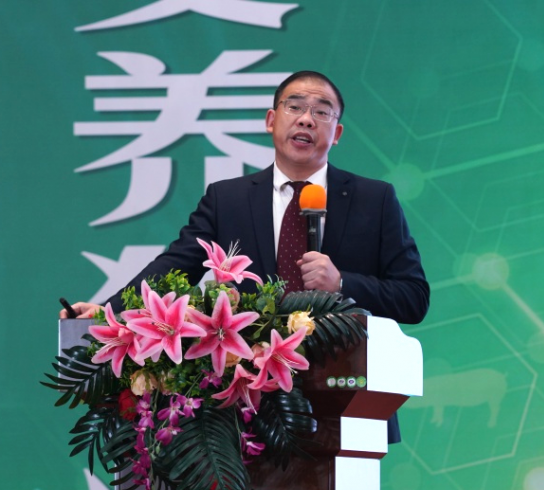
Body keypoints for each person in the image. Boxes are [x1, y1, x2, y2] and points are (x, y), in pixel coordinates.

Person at [63, 70, 430, 325]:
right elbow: (173, 269)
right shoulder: (227, 200)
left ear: (337, 134)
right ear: (271, 120)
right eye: (294, 107)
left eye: (321, 112)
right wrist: (106, 311)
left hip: (349, 386)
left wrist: (342, 284)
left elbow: (413, 297)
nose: (306, 120)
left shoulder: (374, 199)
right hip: (251, 390)